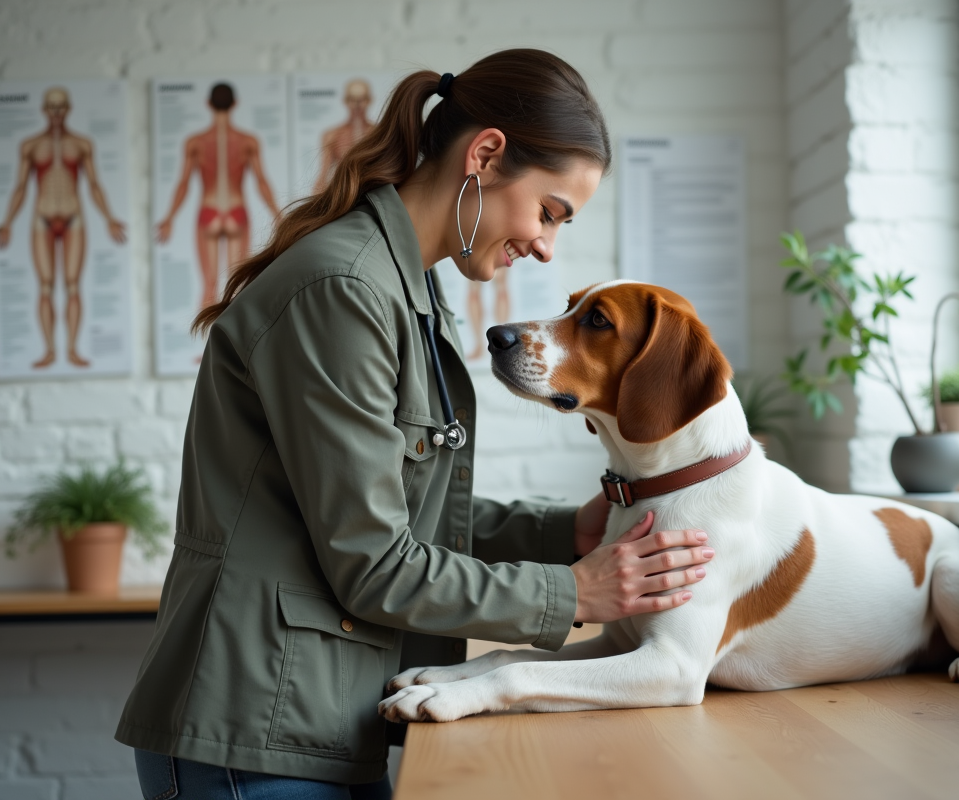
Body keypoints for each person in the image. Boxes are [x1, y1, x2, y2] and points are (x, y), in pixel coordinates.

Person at [118, 50, 714, 800]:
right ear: (487, 154)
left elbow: (398, 512)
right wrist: (574, 594)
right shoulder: (346, 290)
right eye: (550, 211)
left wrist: (567, 535)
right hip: (255, 737)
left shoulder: (399, 288)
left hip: (312, 722)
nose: (545, 245)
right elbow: (374, 559)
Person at [0, 87, 127, 369]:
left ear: (68, 109)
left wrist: (109, 217)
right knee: (44, 286)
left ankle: (73, 349)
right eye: (51, 107)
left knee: (73, 285)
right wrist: (6, 222)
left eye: (60, 107)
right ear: (44, 110)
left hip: (73, 216)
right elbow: (19, 187)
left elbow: (93, 184)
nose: (56, 113)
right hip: (41, 216)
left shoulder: (81, 144)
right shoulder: (30, 146)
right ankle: (50, 350)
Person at [156, 82, 282, 312]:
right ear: (235, 104)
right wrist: (278, 214)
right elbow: (261, 181)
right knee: (236, 285)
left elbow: (183, 183)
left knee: (209, 285)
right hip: (236, 212)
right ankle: (235, 348)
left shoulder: (195, 142)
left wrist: (169, 218)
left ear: (207, 104)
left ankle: (207, 347)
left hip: (209, 212)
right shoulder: (248, 141)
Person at [313, 78, 375, 193]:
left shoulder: (379, 133)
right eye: (352, 99)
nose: (357, 105)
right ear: (346, 101)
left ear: (369, 100)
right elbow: (323, 175)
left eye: (361, 99)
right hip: (342, 194)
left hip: (372, 194)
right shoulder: (332, 135)